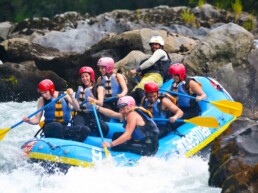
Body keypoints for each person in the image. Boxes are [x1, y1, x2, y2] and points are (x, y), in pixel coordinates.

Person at [23, 79, 90, 142]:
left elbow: (77, 107)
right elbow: (37, 120)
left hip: (63, 127)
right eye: (42, 93)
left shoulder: (64, 95)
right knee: (57, 126)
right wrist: (29, 120)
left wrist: (71, 96)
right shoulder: (42, 100)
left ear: (51, 90)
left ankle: (71, 145)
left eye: (45, 92)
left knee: (85, 130)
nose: (44, 95)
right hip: (50, 128)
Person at [94, 96, 159, 156]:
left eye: (123, 108)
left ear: (130, 106)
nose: (122, 111)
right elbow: (113, 114)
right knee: (116, 135)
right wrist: (97, 108)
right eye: (120, 108)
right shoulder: (129, 112)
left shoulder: (132, 115)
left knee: (118, 145)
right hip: (144, 141)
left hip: (149, 147)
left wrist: (110, 144)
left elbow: (127, 135)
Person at [129, 35, 171, 104]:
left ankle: (147, 106)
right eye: (152, 45)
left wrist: (136, 70)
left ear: (161, 46)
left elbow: (151, 62)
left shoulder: (161, 52)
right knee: (132, 94)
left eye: (156, 44)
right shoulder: (151, 57)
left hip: (156, 77)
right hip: (147, 78)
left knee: (139, 90)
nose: (154, 46)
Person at [72, 66, 109, 137]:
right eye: (82, 77)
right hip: (81, 115)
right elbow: (75, 103)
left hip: (93, 115)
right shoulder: (79, 88)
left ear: (91, 77)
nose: (84, 78)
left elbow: (100, 103)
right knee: (80, 129)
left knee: (104, 127)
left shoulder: (98, 88)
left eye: (86, 76)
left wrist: (93, 100)